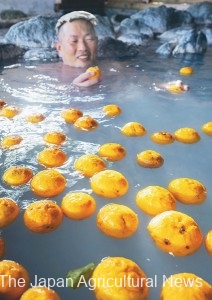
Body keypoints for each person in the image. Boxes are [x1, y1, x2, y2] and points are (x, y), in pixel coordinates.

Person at [55, 11, 101, 87]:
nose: (83, 48)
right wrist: (74, 90)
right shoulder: (45, 73)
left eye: (89, 39)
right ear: (59, 48)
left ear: (97, 42)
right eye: (74, 41)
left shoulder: (114, 69)